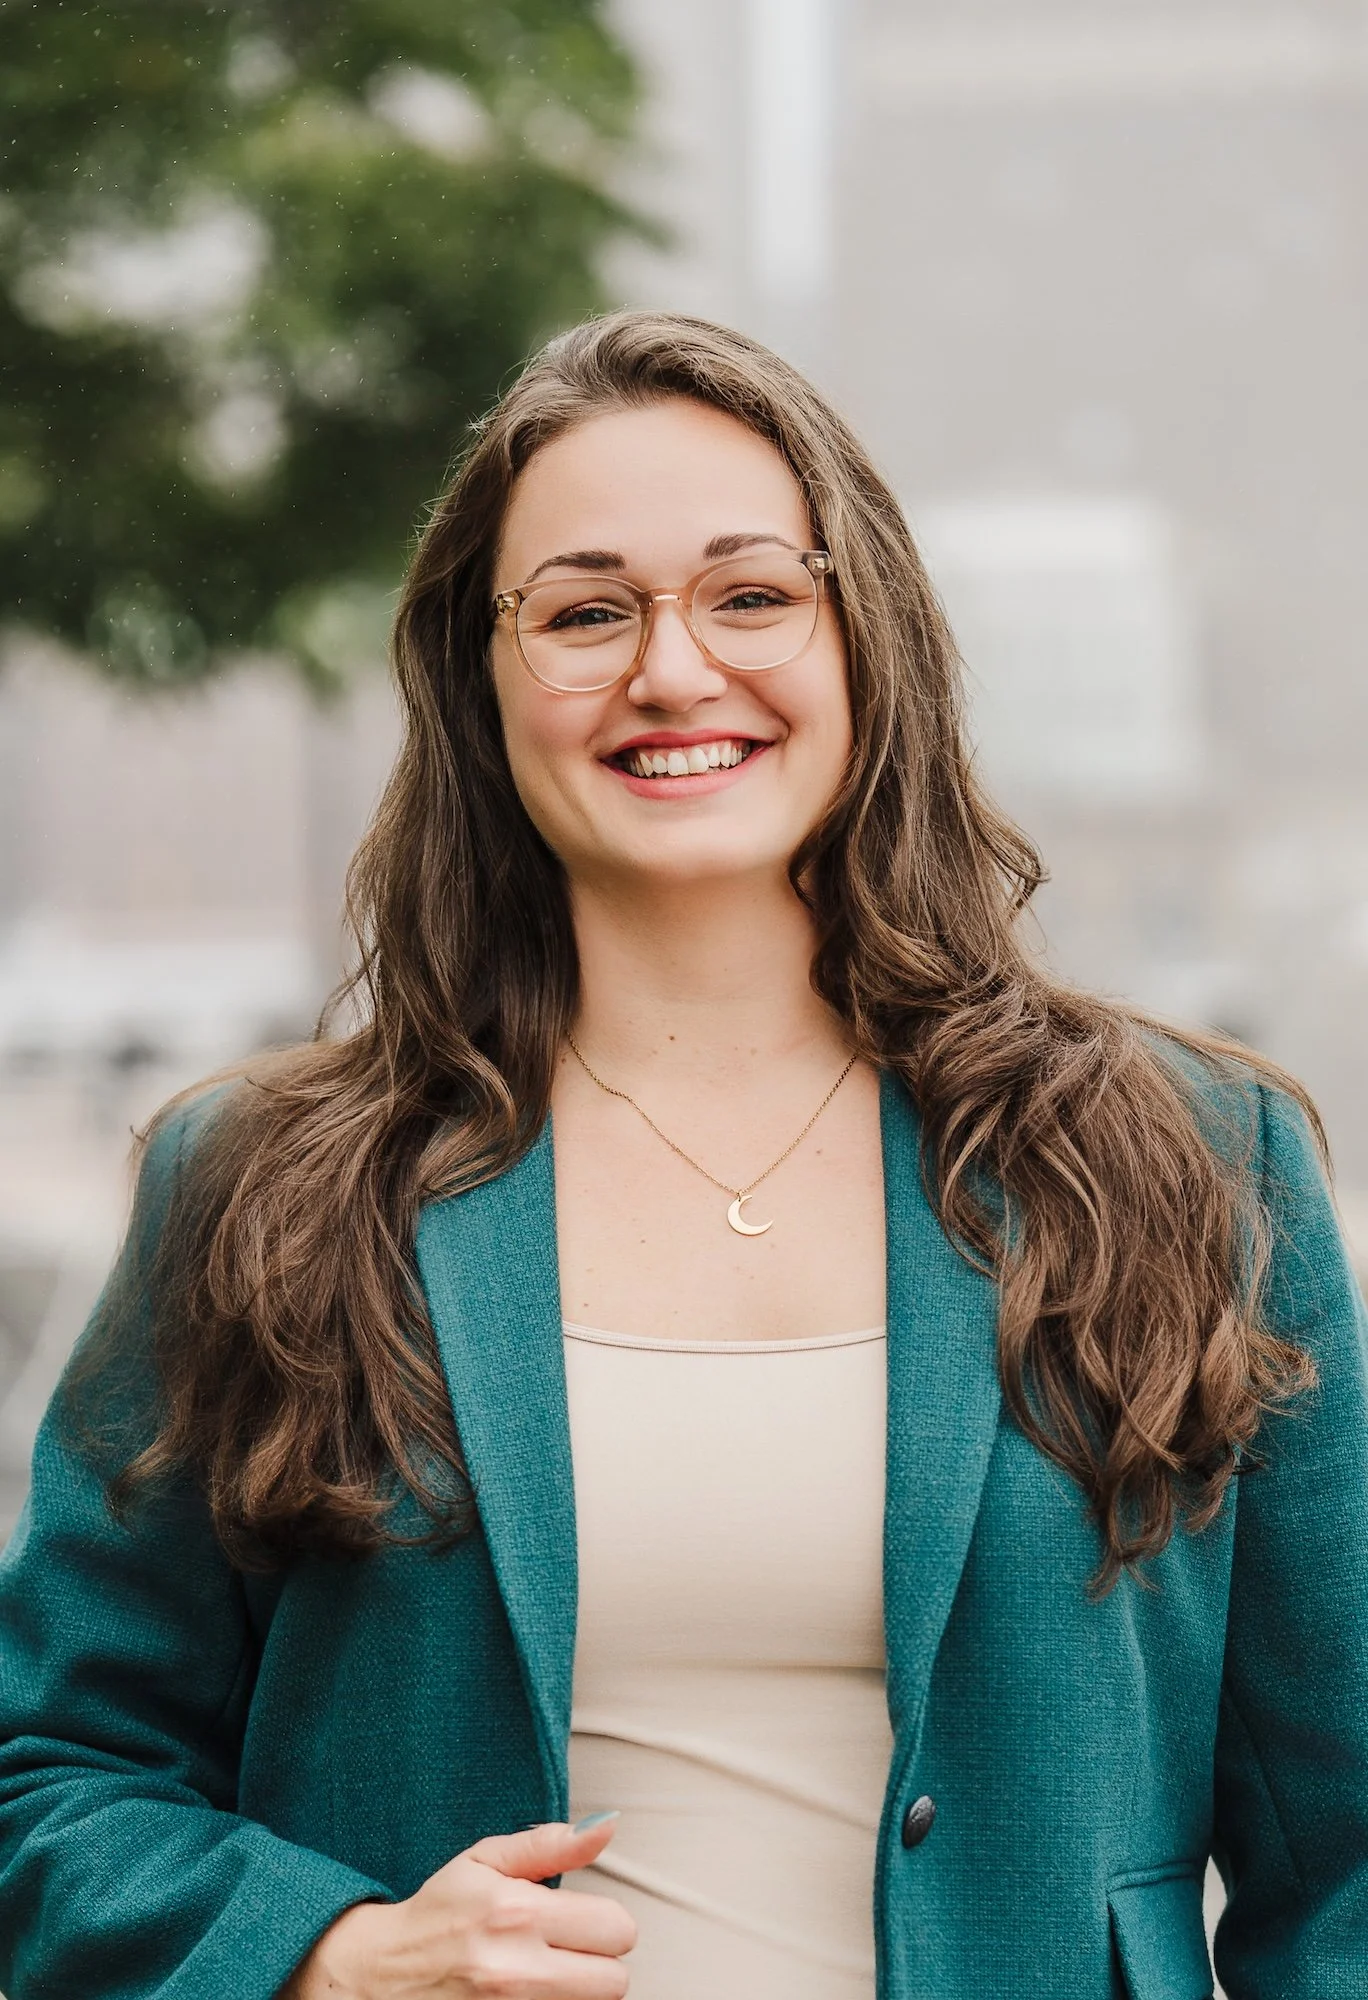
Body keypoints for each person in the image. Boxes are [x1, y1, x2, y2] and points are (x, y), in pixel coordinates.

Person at [0, 311, 1365, 2000]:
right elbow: (52, 1779)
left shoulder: (1189, 1165)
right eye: (583, 612)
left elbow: (1345, 1858)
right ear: (477, 678)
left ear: (865, 636)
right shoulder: (264, 1195)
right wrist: (329, 1954)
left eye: (750, 595)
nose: (671, 669)